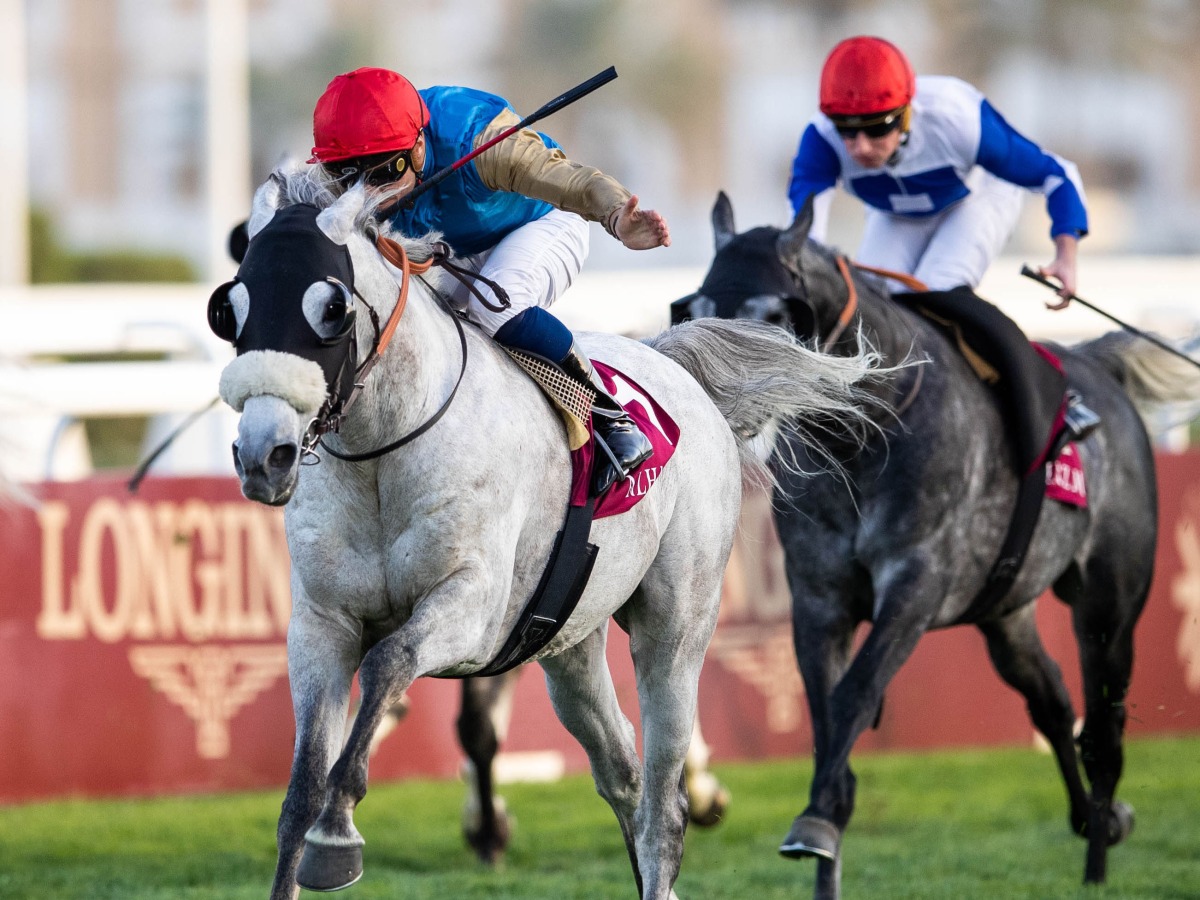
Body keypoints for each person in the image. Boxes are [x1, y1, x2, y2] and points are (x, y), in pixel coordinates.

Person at [308, 67, 670, 494]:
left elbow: (573, 181)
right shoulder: (361, 157)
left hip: (542, 224)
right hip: (456, 247)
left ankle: (610, 418)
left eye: (382, 174)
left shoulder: (476, 141)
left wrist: (616, 217)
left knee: (496, 306)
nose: (366, 194)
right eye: (347, 176)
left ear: (420, 148)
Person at [787, 35, 1099, 470]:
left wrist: (1067, 254)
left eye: (877, 128)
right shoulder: (820, 141)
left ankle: (1055, 397)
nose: (858, 147)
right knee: (874, 306)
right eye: (846, 130)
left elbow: (1058, 175)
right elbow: (806, 238)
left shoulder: (958, 119)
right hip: (897, 211)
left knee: (934, 295)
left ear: (907, 112)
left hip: (977, 196)